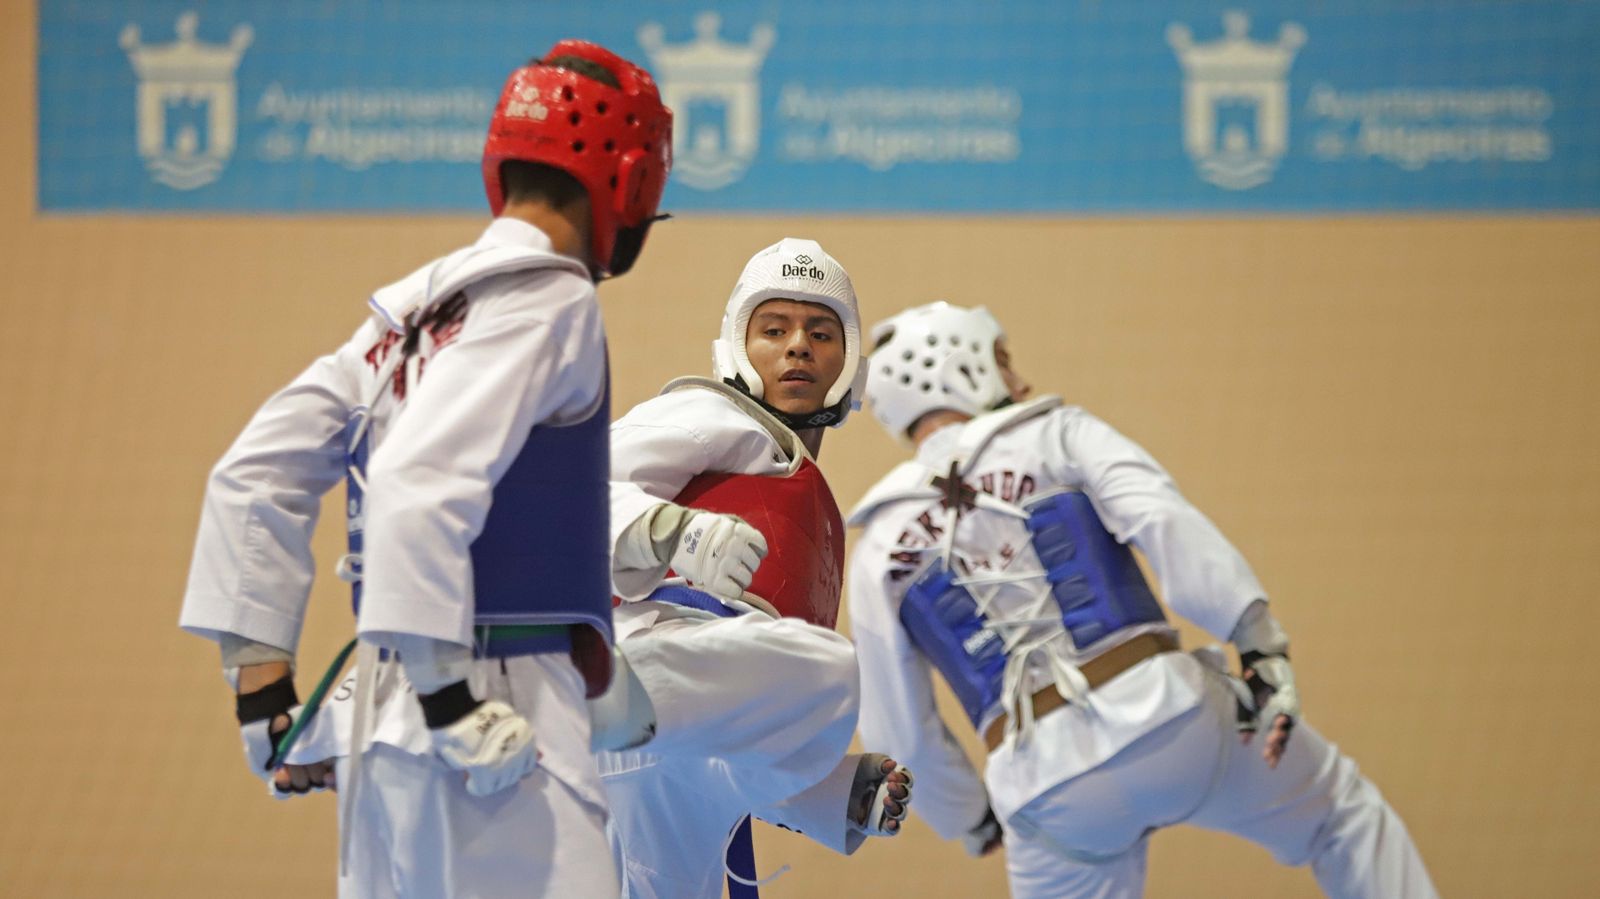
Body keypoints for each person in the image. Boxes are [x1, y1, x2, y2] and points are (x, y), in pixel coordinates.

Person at [177, 41, 672, 897]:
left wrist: (260, 694)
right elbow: (415, 477)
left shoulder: (407, 312)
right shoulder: (549, 295)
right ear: (629, 182)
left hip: (382, 726)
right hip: (489, 718)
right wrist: (450, 702)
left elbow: (252, 473)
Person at [846, 301, 1437, 897]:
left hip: (1041, 783)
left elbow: (897, 725)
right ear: (960, 366)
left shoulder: (876, 550)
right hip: (1168, 715)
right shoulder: (1054, 431)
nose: (1016, 375)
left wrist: (966, 816)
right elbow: (1163, 519)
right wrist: (1257, 643)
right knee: (1343, 819)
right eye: (1001, 358)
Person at [591, 238, 913, 898]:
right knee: (828, 667)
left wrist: (832, 792)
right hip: (635, 669)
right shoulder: (711, 413)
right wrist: (666, 530)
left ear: (851, 359)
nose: (798, 346)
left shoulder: (815, 508)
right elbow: (565, 493)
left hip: (673, 757)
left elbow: (727, 748)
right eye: (774, 328)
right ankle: (612, 691)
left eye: (821, 332)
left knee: (809, 692)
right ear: (737, 347)